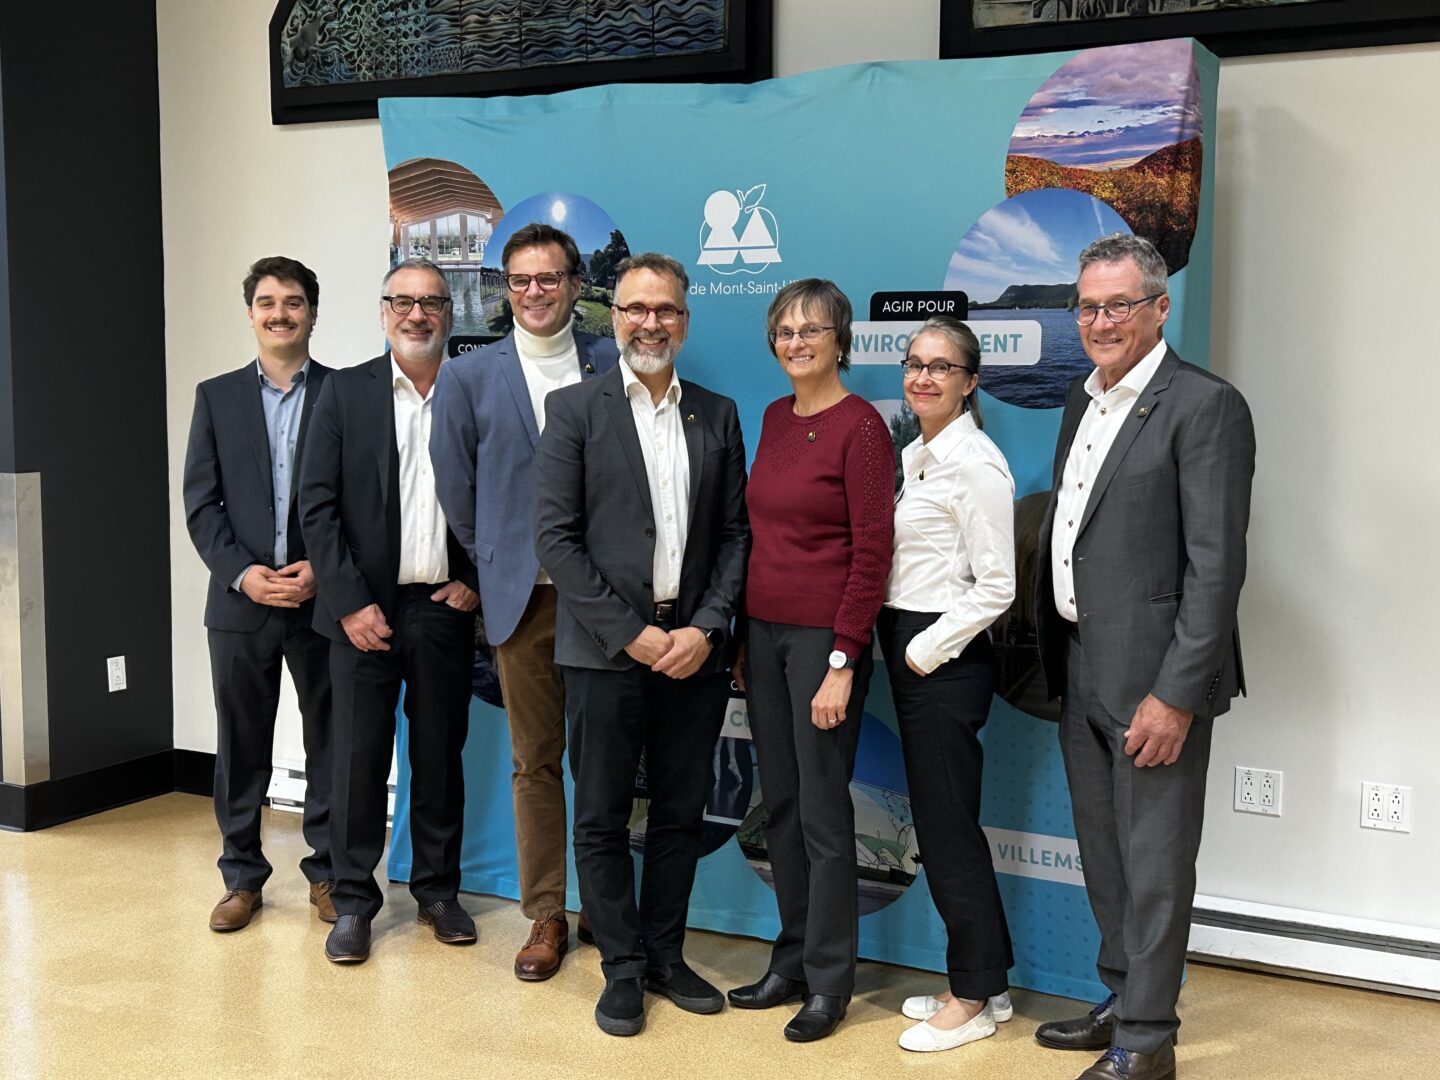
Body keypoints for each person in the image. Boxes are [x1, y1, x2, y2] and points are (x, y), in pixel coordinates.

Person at [1034, 234, 1255, 1080]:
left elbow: (1216, 566)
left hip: (1156, 679)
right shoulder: (1077, 401)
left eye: (1118, 304)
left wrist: (1179, 694)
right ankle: (1122, 995)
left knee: (1156, 864)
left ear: (1159, 308)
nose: (1100, 321)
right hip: (1083, 663)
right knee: (1105, 852)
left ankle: (1149, 1039)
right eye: (1088, 305)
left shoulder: (1205, 407)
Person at [533, 252, 748, 1037]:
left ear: (684, 323)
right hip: (603, 652)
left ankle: (665, 954)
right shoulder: (574, 409)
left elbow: (733, 534)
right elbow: (555, 539)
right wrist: (631, 635)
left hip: (693, 651)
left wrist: (707, 625)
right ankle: (620, 967)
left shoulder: (718, 415)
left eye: (663, 310)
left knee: (681, 815)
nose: (648, 322)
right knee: (598, 816)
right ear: (612, 316)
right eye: (634, 309)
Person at [431, 223, 618, 980]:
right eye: (521, 281)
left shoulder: (612, 365)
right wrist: (497, 562)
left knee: (604, 764)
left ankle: (606, 906)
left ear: (575, 284)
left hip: (603, 604)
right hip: (521, 605)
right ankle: (546, 913)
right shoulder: (468, 379)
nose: (535, 293)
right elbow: (456, 489)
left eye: (549, 279)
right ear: (506, 291)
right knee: (535, 763)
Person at [298, 257, 481, 964]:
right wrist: (347, 605)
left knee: (439, 756)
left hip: (441, 607)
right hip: (361, 615)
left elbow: (500, 492)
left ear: (449, 313)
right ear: (382, 313)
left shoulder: (471, 391)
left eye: (431, 302)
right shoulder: (344, 394)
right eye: (402, 301)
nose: (417, 314)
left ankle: (437, 891)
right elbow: (315, 505)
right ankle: (352, 901)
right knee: (356, 759)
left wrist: (472, 580)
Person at [727, 279, 894, 1042]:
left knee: (825, 815)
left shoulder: (862, 429)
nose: (797, 342)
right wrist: (739, 641)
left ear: (841, 340)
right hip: (762, 638)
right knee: (784, 809)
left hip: (822, 644)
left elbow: (872, 555)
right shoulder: (772, 417)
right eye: (785, 331)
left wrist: (842, 658)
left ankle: (830, 980)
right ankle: (789, 958)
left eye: (812, 330)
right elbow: (760, 539)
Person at [183, 256, 335, 933]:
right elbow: (200, 503)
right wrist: (244, 573)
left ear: (311, 312)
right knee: (242, 744)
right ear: (250, 313)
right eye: (268, 302)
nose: (281, 313)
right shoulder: (215, 397)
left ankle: (328, 874)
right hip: (241, 605)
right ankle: (242, 877)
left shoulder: (344, 394)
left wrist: (322, 571)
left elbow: (363, 502)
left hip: (320, 601)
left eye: (294, 301)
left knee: (333, 741)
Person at [880, 316, 1017, 1052]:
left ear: (970, 382)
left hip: (944, 657)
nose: (923, 376)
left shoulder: (976, 462)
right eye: (914, 363)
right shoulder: (920, 454)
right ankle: (985, 980)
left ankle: (970, 995)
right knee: (943, 824)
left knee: (947, 828)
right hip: (915, 646)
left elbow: (996, 586)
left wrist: (923, 654)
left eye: (941, 366)